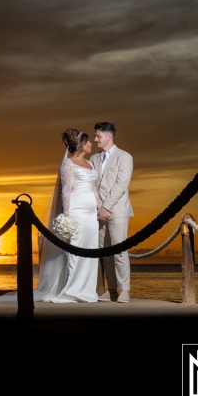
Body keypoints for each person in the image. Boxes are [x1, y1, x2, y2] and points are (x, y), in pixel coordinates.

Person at [34, 128, 101, 303]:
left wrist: (101, 207)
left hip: (91, 213)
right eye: (87, 142)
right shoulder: (67, 164)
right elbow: (66, 190)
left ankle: (87, 290)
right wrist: (66, 215)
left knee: (91, 250)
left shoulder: (91, 164)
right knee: (76, 250)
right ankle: (72, 290)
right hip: (76, 211)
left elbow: (94, 190)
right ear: (79, 145)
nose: (90, 143)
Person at [91, 121, 133, 303]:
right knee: (105, 252)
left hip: (118, 210)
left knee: (120, 251)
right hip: (99, 212)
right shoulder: (93, 159)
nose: (94, 139)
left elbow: (121, 185)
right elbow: (93, 186)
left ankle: (125, 291)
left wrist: (106, 207)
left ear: (109, 136)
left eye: (98, 136)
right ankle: (112, 290)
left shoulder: (124, 157)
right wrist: (99, 207)